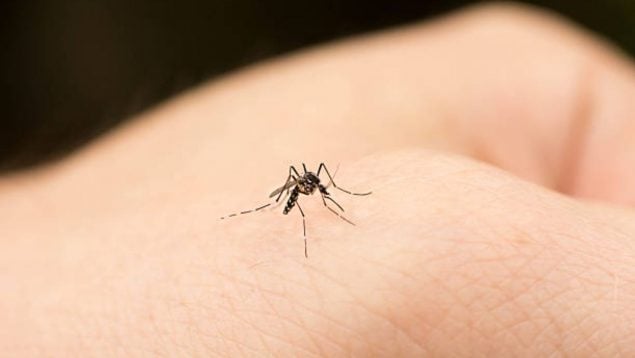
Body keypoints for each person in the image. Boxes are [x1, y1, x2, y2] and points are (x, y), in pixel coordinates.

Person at [1, 3, 634, 355]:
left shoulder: (314, 176)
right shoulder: (300, 194)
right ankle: (290, 209)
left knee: (313, 177)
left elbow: (314, 175)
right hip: (286, 205)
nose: (314, 187)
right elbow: (302, 184)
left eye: (315, 188)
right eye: (314, 189)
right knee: (299, 190)